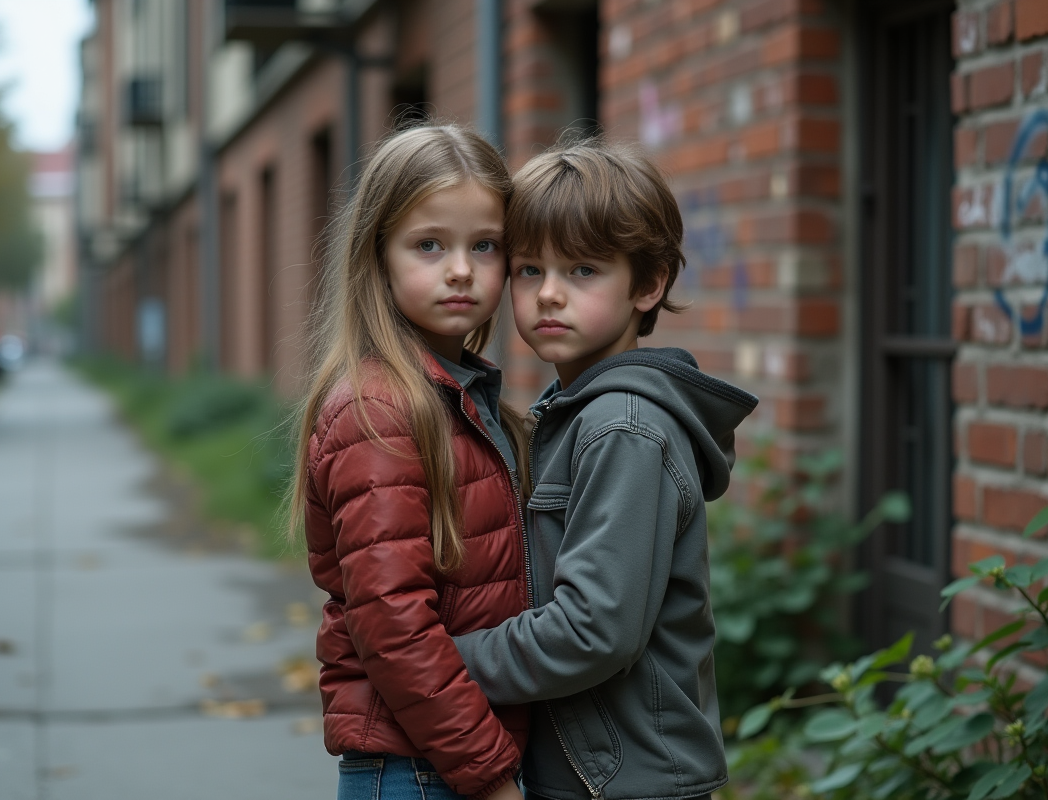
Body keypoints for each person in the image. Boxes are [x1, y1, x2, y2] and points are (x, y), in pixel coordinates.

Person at [453, 139, 759, 800]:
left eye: (584, 270)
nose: (548, 295)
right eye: (529, 269)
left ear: (648, 284)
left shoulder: (622, 425)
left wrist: (447, 661)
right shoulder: (574, 411)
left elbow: (593, 631)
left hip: (623, 782)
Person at [292, 124, 530, 800]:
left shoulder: (460, 394)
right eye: (429, 244)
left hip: (447, 759)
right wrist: (488, 776)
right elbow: (394, 623)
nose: (461, 269)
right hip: (420, 773)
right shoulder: (380, 411)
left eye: (484, 245)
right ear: (380, 257)